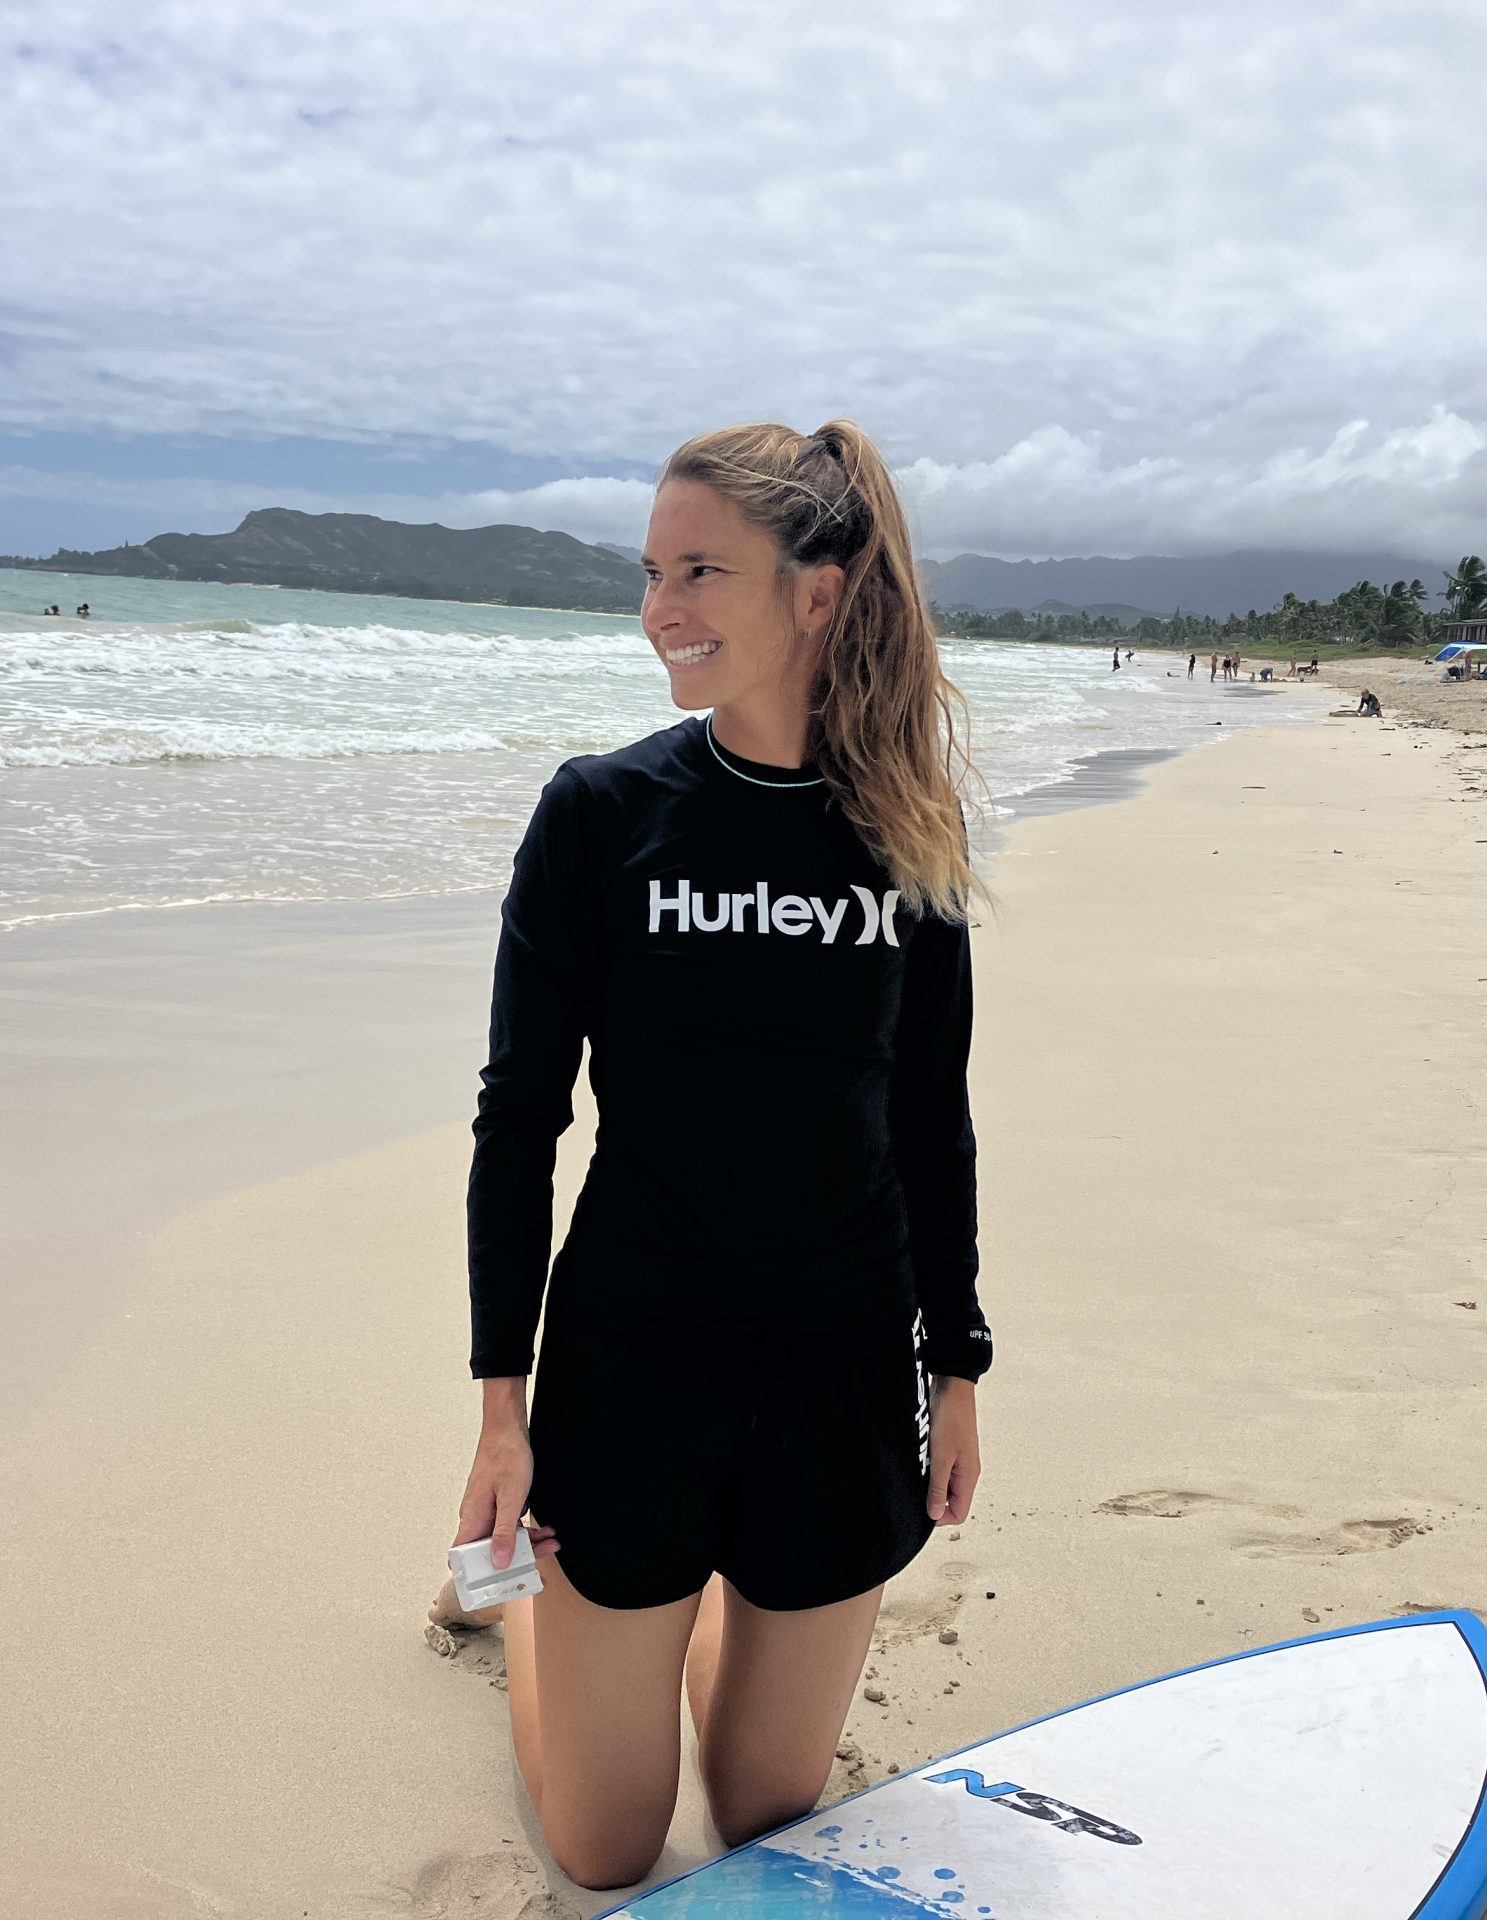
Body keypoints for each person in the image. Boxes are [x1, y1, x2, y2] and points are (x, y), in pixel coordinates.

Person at [443, 419, 991, 1892]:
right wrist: (506, 1411)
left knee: (761, 1819)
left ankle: (644, 1615)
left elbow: (932, 1117)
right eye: (651, 573)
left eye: (701, 571)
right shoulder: (600, 816)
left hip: (840, 1371)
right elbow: (519, 1118)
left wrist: (960, 1369)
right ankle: (526, 1622)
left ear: (816, 595)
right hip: (639, 1358)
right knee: (611, 1849)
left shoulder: (907, 836)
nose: (660, 609)